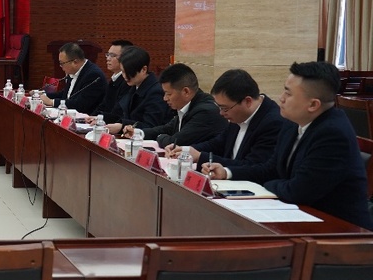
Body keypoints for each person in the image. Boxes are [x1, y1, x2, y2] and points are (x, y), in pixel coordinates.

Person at [204, 61, 372, 229]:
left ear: (313, 105)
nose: (281, 98)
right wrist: (226, 172)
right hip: (302, 217)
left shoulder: (333, 134)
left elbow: (298, 191)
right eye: (284, 90)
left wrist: (269, 184)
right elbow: (270, 169)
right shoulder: (292, 123)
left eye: (289, 93)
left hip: (340, 230)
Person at [165, 69, 288, 166]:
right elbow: (218, 143)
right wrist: (186, 150)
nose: (221, 113)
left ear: (248, 101)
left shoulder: (273, 123)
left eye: (224, 108)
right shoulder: (238, 115)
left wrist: (201, 157)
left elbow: (252, 165)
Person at [131, 63, 227, 147]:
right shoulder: (188, 105)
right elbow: (167, 129)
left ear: (186, 92)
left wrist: (160, 137)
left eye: (168, 94)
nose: (165, 98)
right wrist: (137, 132)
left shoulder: (205, 112)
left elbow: (175, 142)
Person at [104, 45, 170, 135]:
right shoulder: (132, 84)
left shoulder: (156, 92)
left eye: (129, 72)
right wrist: (101, 118)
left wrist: (122, 126)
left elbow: (151, 126)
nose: (125, 76)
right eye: (123, 72)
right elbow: (118, 113)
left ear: (144, 69)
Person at [40, 42, 106, 114]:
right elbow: (66, 94)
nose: (60, 66)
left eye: (62, 63)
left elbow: (81, 104)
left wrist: (52, 102)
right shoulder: (73, 71)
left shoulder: (93, 75)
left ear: (75, 62)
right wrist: (42, 95)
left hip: (86, 117)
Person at [96, 39, 134, 122]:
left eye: (112, 55)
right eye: (108, 55)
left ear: (126, 58)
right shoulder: (114, 79)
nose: (108, 59)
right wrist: (91, 117)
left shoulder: (128, 82)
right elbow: (104, 105)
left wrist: (98, 118)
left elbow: (118, 113)